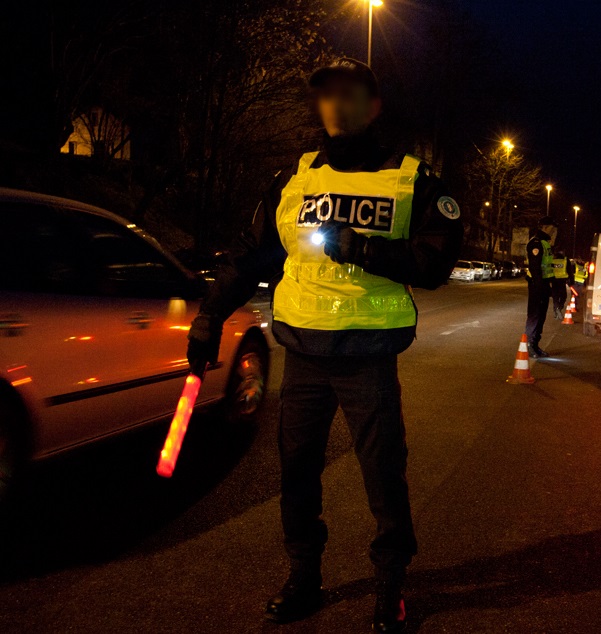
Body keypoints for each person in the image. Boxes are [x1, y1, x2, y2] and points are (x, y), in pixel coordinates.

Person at [185, 58, 463, 631]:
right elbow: (252, 251)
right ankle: (304, 578)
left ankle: (390, 588)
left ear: (374, 105)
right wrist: (210, 314)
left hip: (369, 358)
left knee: (383, 476)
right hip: (305, 355)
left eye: (351, 94)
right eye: (327, 96)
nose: (338, 105)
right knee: (297, 474)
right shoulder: (298, 176)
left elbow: (437, 261)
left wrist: (363, 249)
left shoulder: (410, 178)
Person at [524, 216, 557, 358]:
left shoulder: (545, 243)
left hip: (544, 285)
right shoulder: (536, 243)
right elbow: (535, 267)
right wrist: (540, 286)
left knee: (541, 316)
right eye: (551, 227)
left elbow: (548, 266)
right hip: (537, 285)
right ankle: (529, 346)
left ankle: (535, 344)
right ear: (543, 227)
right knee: (534, 315)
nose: (553, 231)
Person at [550, 249, 569, 317]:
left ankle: (556, 310)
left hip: (554, 280)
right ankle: (559, 308)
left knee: (555, 297)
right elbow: (569, 270)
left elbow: (549, 270)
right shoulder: (565, 261)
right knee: (563, 296)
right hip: (562, 281)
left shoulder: (552, 261)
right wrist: (570, 281)